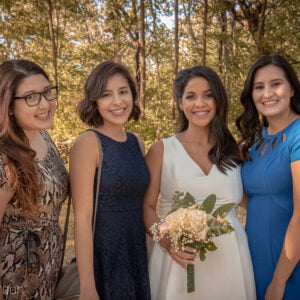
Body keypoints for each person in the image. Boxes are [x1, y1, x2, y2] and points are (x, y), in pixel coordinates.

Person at [143, 65, 256, 300]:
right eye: (191, 96)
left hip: (230, 261)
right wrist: (168, 243)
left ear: (218, 101)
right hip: (179, 260)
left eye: (208, 95)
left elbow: (251, 200)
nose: (200, 104)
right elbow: (148, 207)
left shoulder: (234, 151)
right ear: (180, 102)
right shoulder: (162, 150)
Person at [70, 60, 151, 300]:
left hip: (137, 255)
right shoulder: (88, 143)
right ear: (94, 100)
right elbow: (82, 219)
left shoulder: (137, 143)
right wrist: (87, 287)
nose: (118, 101)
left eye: (123, 92)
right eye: (107, 94)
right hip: (104, 259)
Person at [0, 60, 69, 300]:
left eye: (48, 92)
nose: (45, 104)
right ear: (9, 106)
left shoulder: (45, 138)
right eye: (31, 97)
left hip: (48, 267)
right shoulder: (3, 156)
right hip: (12, 278)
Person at [236, 54, 300, 300]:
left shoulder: (298, 134)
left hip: (288, 265)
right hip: (254, 258)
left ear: (292, 88)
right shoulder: (255, 141)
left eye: (276, 84)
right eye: (259, 87)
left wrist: (279, 281)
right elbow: (248, 197)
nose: (267, 94)